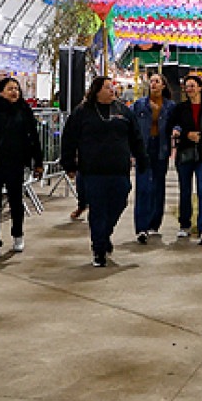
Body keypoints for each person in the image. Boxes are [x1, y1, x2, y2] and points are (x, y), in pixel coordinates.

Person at [59, 76, 141, 266]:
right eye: (107, 87)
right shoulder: (82, 112)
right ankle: (99, 249)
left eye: (112, 87)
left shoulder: (123, 111)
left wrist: (142, 159)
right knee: (97, 210)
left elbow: (136, 137)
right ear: (96, 91)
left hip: (119, 169)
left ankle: (104, 233)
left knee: (119, 202)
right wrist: (69, 164)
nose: (112, 90)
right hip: (92, 171)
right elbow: (69, 139)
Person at [0, 77, 44, 262]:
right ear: (1, 92)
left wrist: (38, 162)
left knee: (16, 201)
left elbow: (34, 137)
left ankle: (17, 235)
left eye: (17, 89)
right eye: (10, 88)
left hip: (16, 163)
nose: (15, 92)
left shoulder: (24, 111)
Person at [172, 74, 202, 243]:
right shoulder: (179, 109)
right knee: (185, 191)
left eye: (192, 85)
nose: (189, 89)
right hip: (185, 154)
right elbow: (174, 129)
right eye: (187, 86)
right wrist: (187, 135)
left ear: (200, 87)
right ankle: (185, 224)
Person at [130, 73, 176, 243]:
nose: (153, 84)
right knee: (143, 187)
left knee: (158, 185)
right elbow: (130, 124)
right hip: (143, 147)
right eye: (151, 82)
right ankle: (141, 227)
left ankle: (154, 224)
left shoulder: (170, 106)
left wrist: (176, 130)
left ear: (163, 85)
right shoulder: (139, 105)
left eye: (157, 81)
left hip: (161, 147)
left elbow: (176, 122)